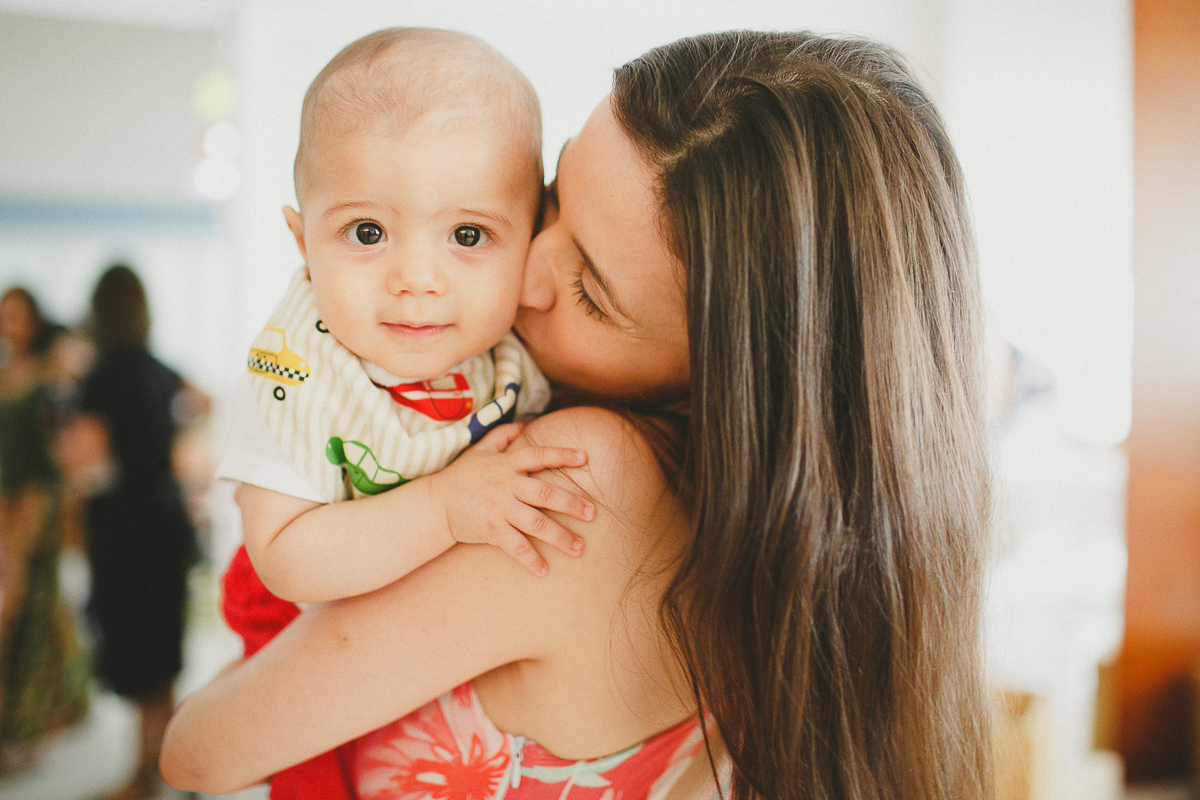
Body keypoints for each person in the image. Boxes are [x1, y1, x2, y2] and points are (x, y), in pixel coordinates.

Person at [162, 30, 992, 800]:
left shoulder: (578, 481)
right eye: (553, 198)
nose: (523, 275)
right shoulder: (784, 538)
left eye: (591, 292)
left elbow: (200, 748)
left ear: (736, 381)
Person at [217, 28, 593, 798]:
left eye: (467, 235)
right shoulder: (296, 369)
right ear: (302, 242)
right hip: (299, 622)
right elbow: (285, 559)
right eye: (366, 232)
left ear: (530, 243)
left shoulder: (514, 354)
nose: (415, 277)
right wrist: (446, 509)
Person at [76, 265, 203, 800]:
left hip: (122, 526)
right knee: (163, 648)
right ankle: (171, 768)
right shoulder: (160, 371)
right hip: (165, 518)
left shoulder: (97, 377)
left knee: (133, 648)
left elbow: (88, 463)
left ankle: (146, 774)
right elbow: (203, 402)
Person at [0, 287, 89, 772]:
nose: (11, 324)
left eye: (19, 314)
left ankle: (27, 726)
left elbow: (53, 454)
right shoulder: (5, 376)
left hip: (39, 504)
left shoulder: (48, 376)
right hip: (5, 501)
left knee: (32, 609)